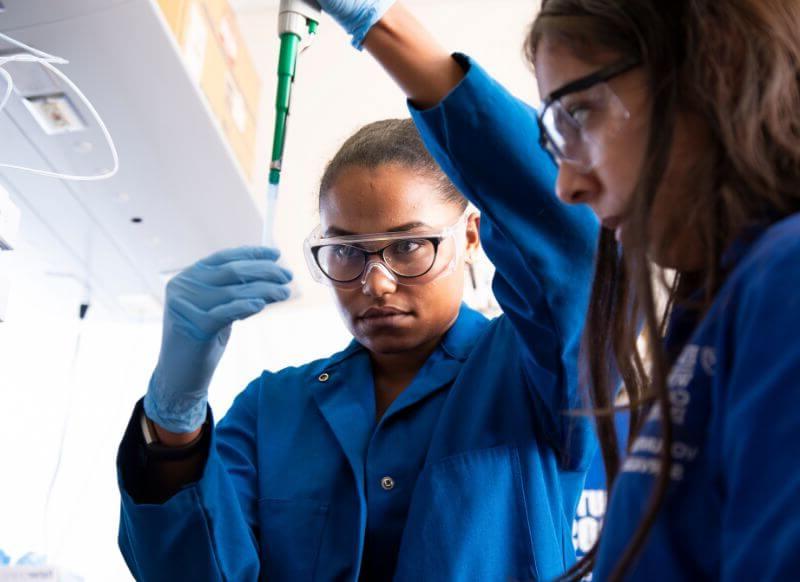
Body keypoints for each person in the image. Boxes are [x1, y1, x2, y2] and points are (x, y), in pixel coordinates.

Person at [117, 117, 597, 579]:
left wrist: (434, 82)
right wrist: (174, 416)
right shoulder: (273, 409)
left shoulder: (532, 369)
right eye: (347, 251)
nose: (377, 283)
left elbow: (574, 255)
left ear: (470, 237)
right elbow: (190, 572)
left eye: (409, 246)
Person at [528, 0, 800, 580]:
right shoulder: (720, 296)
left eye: (580, 113)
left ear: (711, 69)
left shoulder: (788, 274)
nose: (566, 184)